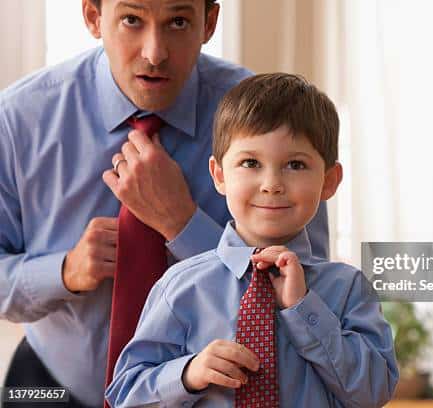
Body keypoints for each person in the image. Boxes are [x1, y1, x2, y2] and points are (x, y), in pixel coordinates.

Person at [0, 1, 328, 407]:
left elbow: (309, 293)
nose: (155, 52)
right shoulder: (18, 119)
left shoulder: (271, 118)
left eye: (177, 21)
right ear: (92, 17)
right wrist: (65, 271)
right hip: (48, 387)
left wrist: (182, 224)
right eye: (131, 20)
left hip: (210, 396)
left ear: (208, 22)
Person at [105, 73, 398, 407]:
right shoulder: (180, 287)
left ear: (329, 181)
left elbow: (373, 392)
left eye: (295, 164)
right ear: (219, 175)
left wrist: (304, 310)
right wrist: (187, 374)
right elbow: (125, 394)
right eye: (250, 163)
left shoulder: (347, 289)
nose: (271, 184)